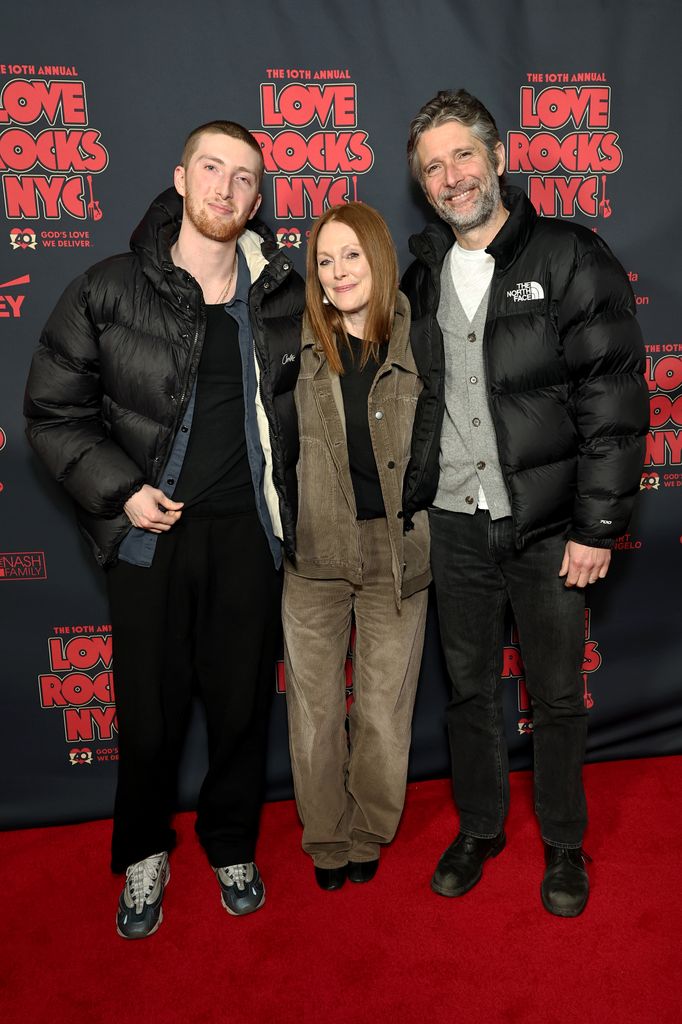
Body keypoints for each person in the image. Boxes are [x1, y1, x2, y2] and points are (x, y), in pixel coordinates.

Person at [24, 120, 304, 938]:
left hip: (250, 537)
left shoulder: (281, 294)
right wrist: (121, 493)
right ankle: (144, 853)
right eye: (211, 169)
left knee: (243, 707)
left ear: (257, 199)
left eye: (244, 177)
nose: (225, 188)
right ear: (180, 179)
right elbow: (52, 410)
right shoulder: (108, 287)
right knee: (147, 714)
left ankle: (230, 845)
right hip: (149, 536)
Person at [402, 90, 648, 916]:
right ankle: (480, 825)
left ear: (498, 157)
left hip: (546, 529)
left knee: (555, 695)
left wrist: (598, 526)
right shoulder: (421, 271)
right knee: (469, 690)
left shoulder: (571, 255)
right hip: (452, 522)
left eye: (463, 156)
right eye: (433, 167)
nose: (451, 176)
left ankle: (564, 842)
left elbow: (612, 399)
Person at [282, 202, 431, 890]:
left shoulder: (419, 342)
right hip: (313, 553)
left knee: (382, 708)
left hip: (397, 553)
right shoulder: (296, 344)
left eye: (351, 255)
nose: (338, 272)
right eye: (324, 260)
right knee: (314, 711)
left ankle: (370, 828)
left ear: (379, 255)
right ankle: (326, 836)